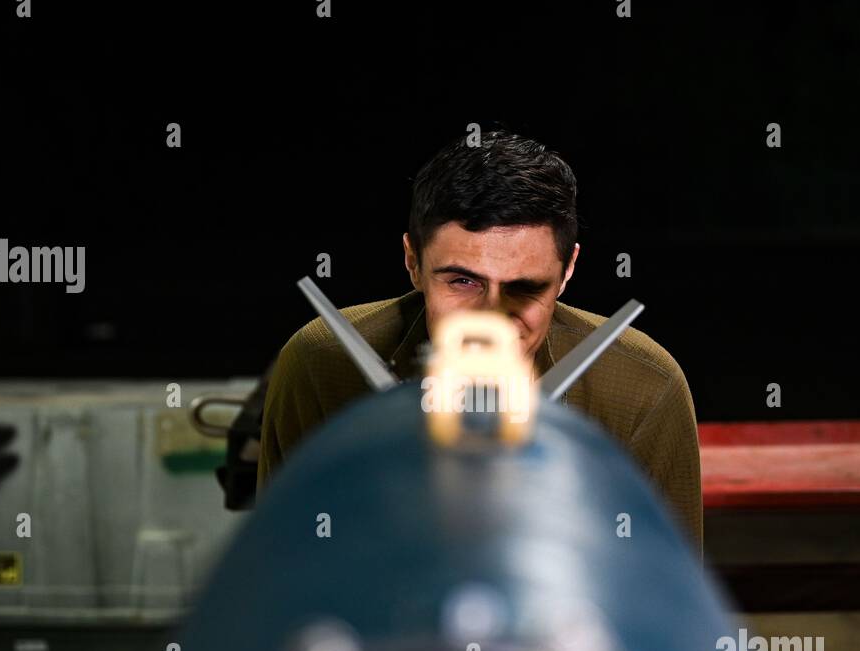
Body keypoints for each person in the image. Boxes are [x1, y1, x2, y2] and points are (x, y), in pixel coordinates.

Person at [257, 131, 704, 548]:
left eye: (525, 288)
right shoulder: (320, 361)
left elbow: (670, 598)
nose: (491, 320)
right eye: (463, 282)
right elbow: (278, 566)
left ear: (567, 271)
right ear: (412, 261)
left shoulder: (644, 388)